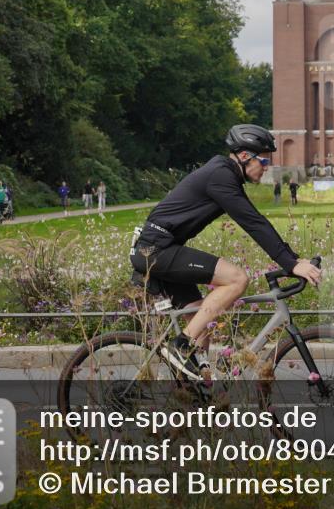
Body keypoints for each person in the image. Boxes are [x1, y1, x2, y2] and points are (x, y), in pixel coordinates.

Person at [129, 124, 322, 381]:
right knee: (237, 278)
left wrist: (293, 259)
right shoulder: (220, 176)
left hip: (161, 248)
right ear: (244, 156)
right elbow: (253, 222)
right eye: (263, 160)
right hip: (155, 249)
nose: (266, 167)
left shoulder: (224, 175)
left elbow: (255, 221)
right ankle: (181, 344)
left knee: (203, 316)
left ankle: (197, 390)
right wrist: (290, 263)